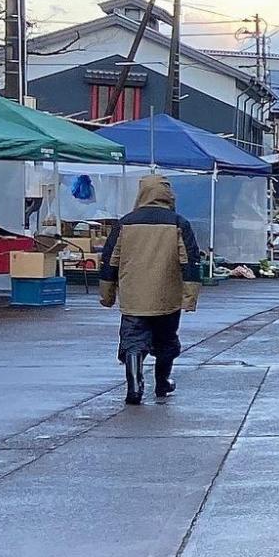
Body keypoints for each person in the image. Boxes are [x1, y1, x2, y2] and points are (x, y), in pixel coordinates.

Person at [98, 173, 201, 403]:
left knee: (133, 341)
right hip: (167, 297)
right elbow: (190, 261)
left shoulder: (125, 223)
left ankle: (134, 386)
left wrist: (107, 295)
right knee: (166, 342)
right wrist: (189, 298)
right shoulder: (178, 223)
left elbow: (109, 260)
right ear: (167, 194)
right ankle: (162, 382)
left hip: (133, 296)